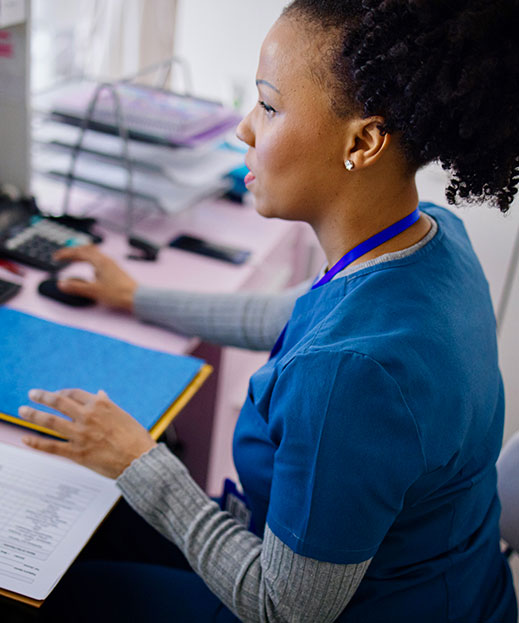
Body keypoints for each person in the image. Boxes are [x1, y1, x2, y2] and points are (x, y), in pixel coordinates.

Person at [18, 1, 519, 621]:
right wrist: (136, 298)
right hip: (462, 588)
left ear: (362, 141)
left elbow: (283, 610)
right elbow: (298, 314)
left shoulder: (349, 376)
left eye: (270, 106)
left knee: (66, 587)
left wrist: (138, 459)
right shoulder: (433, 240)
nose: (244, 130)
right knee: (98, 519)